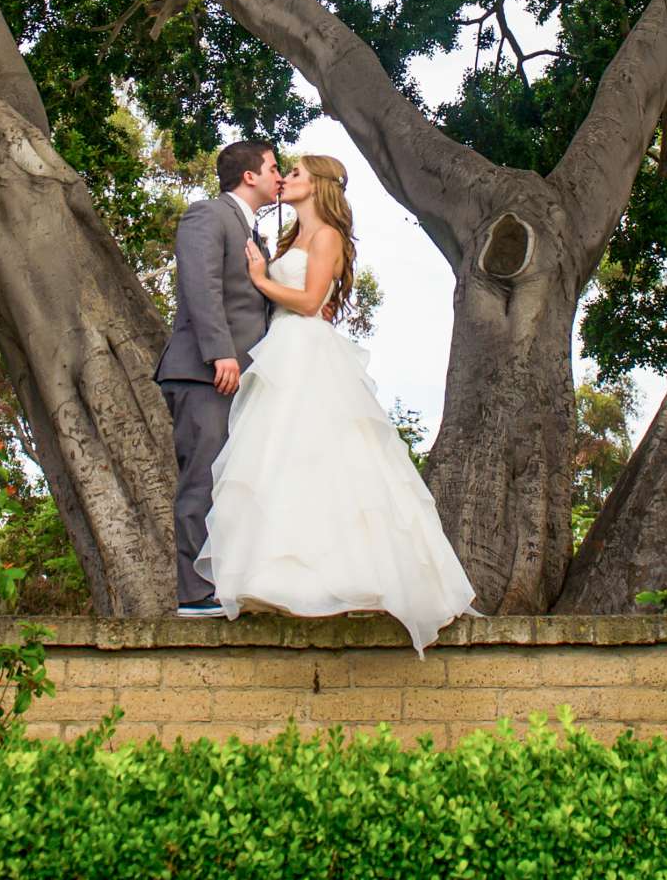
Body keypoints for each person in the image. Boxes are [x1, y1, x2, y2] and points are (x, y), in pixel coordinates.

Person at [196, 153, 478, 652]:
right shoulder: (286, 238)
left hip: (308, 349)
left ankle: (354, 576)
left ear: (320, 184)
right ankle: (277, 580)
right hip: (280, 350)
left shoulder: (327, 236)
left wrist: (262, 279)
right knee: (280, 464)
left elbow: (309, 302)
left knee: (326, 459)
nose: (286, 179)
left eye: (297, 173)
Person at [155, 139, 281, 618]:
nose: (278, 176)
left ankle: (226, 582)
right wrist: (220, 354)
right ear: (249, 175)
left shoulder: (256, 235)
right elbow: (200, 284)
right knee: (203, 478)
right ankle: (193, 593)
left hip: (242, 378)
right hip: (205, 373)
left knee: (233, 482)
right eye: (273, 167)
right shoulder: (207, 214)